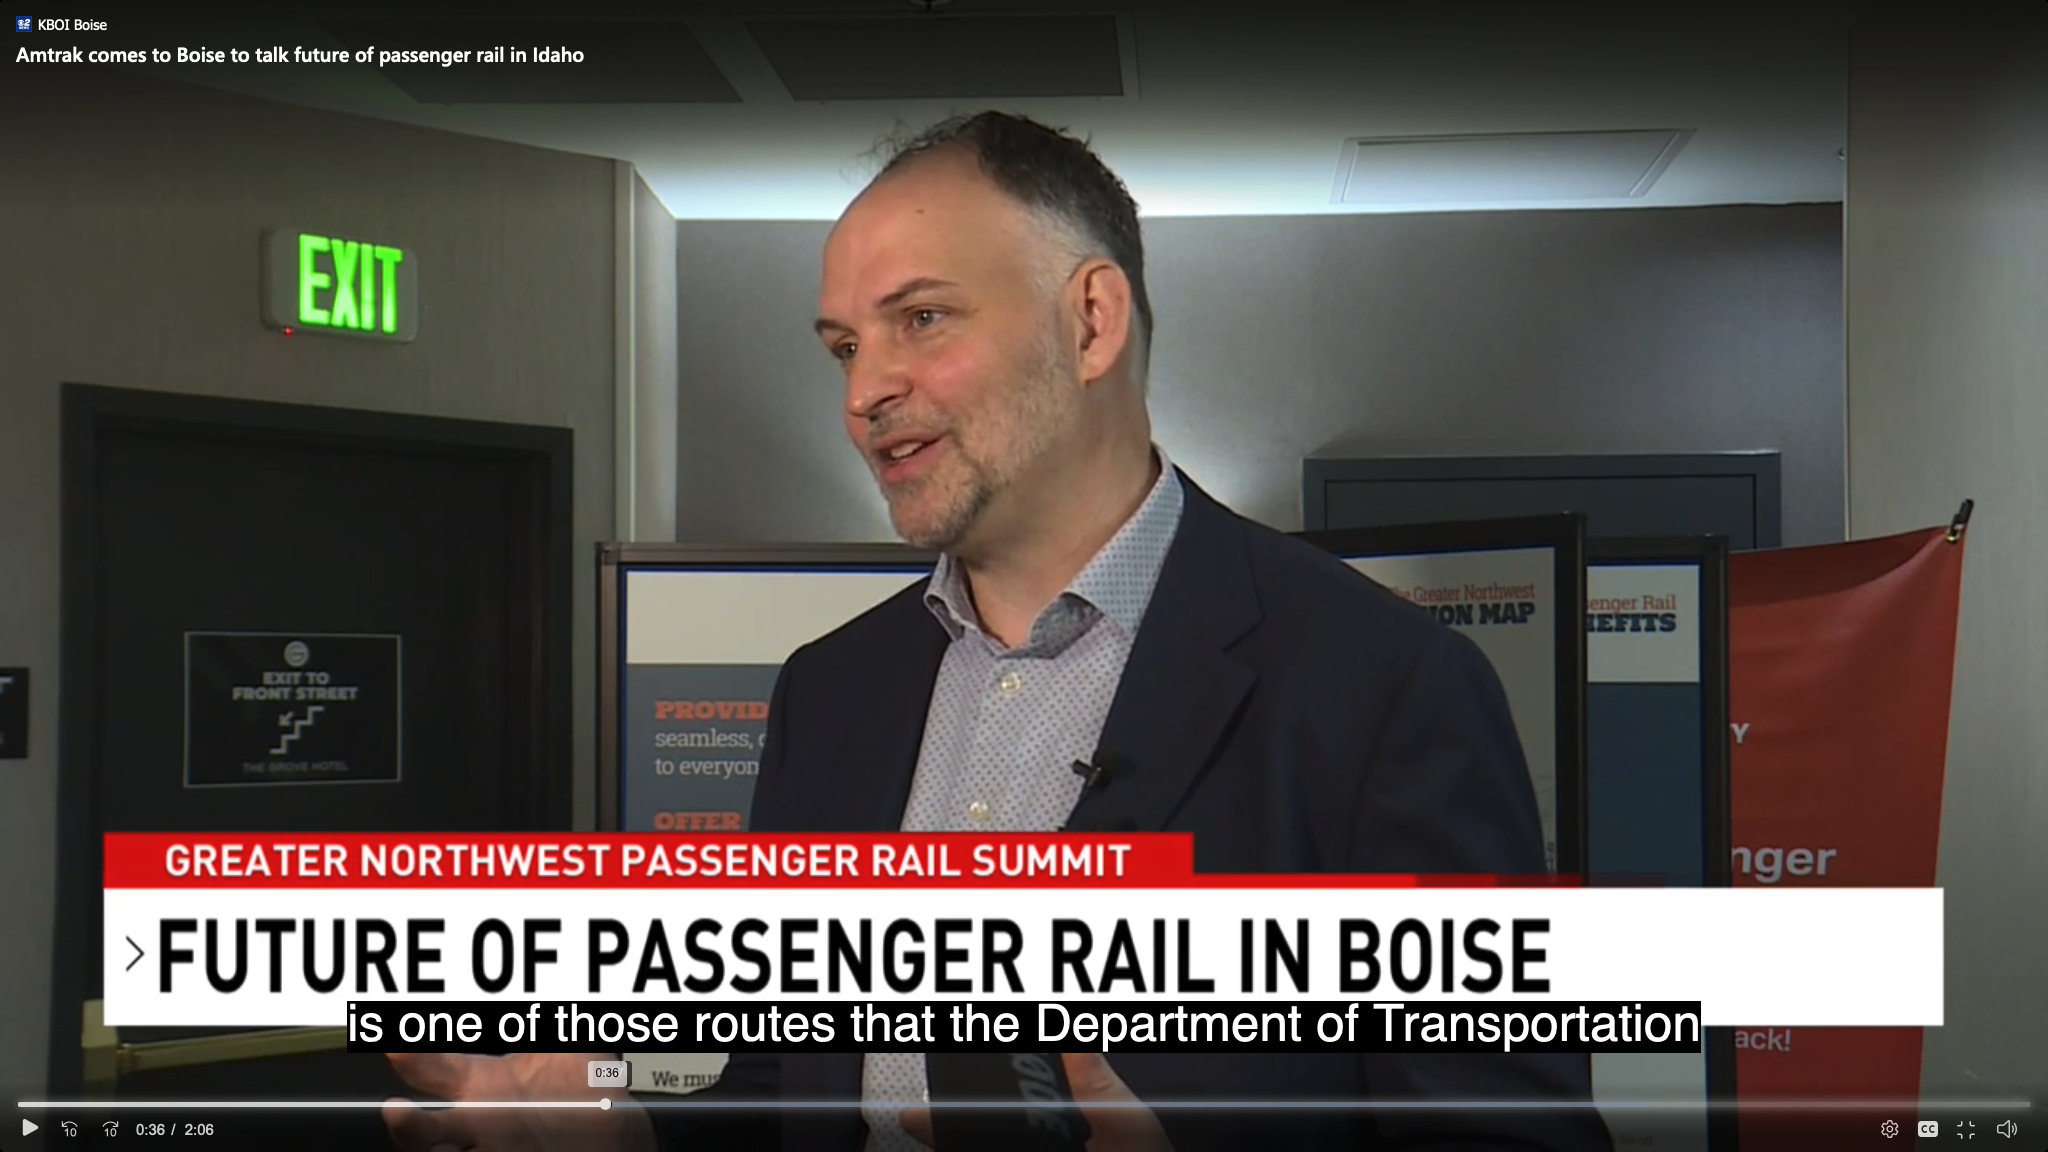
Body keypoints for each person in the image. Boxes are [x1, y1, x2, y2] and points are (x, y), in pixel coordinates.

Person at [385, 111, 1614, 1152]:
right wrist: (621, 1133)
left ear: (1090, 321)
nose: (863, 390)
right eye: (843, 345)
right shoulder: (830, 693)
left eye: (920, 319)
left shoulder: (1383, 687)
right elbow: (783, 1093)